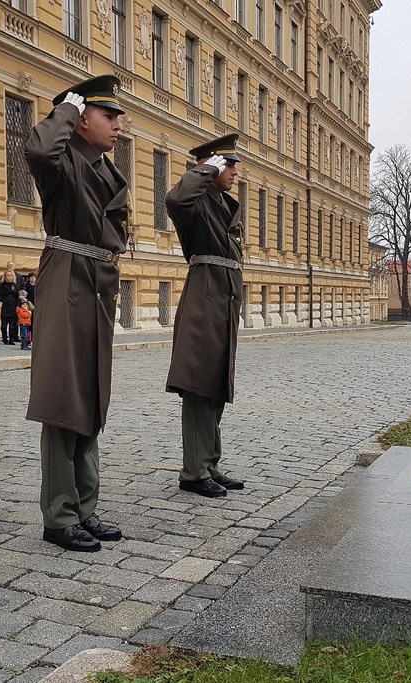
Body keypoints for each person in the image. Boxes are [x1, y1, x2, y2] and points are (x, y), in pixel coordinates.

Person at [24, 74, 128, 553]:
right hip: (68, 275)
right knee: (64, 397)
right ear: (82, 119)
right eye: (109, 115)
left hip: (97, 282)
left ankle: (85, 507)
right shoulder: (62, 159)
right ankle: (59, 515)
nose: (118, 126)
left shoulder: (104, 167)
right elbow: (40, 151)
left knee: (89, 394)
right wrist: (64, 109)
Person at [165, 134, 246, 498]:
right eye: (227, 164)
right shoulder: (195, 202)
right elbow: (175, 198)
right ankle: (194, 471)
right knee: (198, 386)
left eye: (230, 165)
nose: (233, 172)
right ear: (210, 166)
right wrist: (205, 168)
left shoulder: (223, 204)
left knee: (214, 385)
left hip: (223, 298)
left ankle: (209, 463)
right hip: (205, 297)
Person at [0, 271, 19, 345]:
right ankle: (5, 338)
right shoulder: (1, 285)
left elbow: (17, 295)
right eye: (8, 275)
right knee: (4, 324)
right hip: (5, 305)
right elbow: (0, 294)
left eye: (11, 275)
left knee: (12, 324)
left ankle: (11, 339)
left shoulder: (15, 285)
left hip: (13, 305)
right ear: (5, 277)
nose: (10, 277)